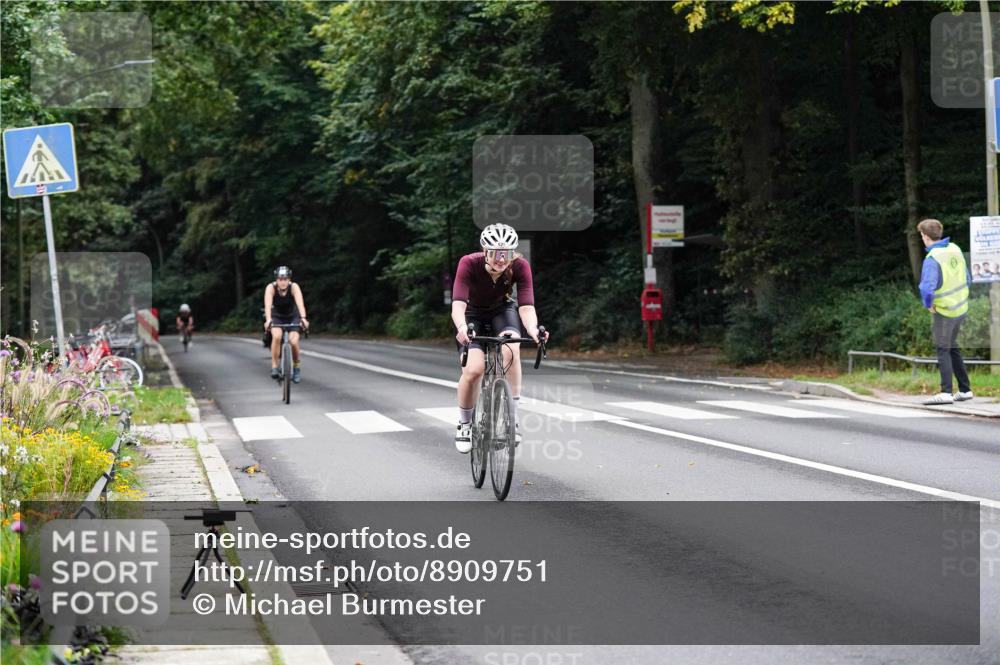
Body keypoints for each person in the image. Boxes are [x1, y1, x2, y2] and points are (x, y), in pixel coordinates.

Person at [451, 223, 549, 453]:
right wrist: (463, 327)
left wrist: (534, 330)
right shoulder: (469, 263)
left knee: (511, 348)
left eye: (507, 254)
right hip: (471, 314)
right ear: (485, 251)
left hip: (501, 312)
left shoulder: (520, 266)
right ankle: (465, 424)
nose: (502, 259)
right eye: (496, 253)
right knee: (474, 370)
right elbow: (458, 305)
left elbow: (526, 306)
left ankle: (512, 418)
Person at [917, 219, 973, 405]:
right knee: (952, 346)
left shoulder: (933, 257)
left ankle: (946, 392)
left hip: (945, 310)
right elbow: (967, 276)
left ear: (925, 236)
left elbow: (927, 288)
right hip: (961, 307)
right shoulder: (955, 248)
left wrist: (928, 305)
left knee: (943, 348)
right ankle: (965, 390)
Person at [263, 266, 309, 383]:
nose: (283, 282)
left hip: (293, 315)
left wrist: (303, 318)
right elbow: (268, 305)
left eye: (285, 279)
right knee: (277, 336)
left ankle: (296, 367)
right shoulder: (271, 288)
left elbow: (300, 304)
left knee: (294, 342)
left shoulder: (294, 287)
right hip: (277, 316)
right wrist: (268, 320)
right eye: (280, 279)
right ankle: (274, 366)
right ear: (276, 279)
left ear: (289, 279)